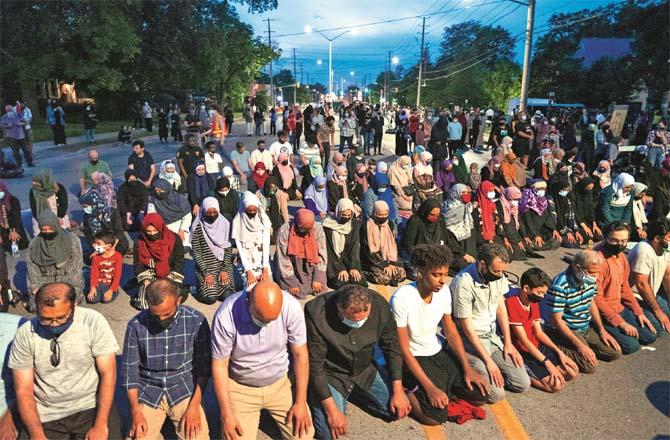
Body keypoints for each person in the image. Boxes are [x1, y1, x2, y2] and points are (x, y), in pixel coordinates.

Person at [392, 245, 490, 425]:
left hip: (436, 350)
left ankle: (445, 386)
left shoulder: (444, 292)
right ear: (420, 272)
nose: (442, 280)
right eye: (436, 275)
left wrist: (467, 368)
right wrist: (429, 388)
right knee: (434, 418)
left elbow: (451, 332)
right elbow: (404, 349)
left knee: (480, 395)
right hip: (414, 356)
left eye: (444, 274)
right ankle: (408, 390)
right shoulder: (402, 298)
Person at [10, 282, 117, 439]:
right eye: (46, 319)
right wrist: (36, 434)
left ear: (74, 305)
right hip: (47, 412)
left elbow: (109, 373)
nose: (53, 324)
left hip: (90, 405)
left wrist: (100, 425)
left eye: (61, 318)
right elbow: (23, 390)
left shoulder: (93, 321)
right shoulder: (25, 333)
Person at [306, 285, 411, 439]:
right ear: (339, 308)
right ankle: (318, 396)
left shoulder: (379, 305)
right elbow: (316, 364)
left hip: (364, 370)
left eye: (364, 318)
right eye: (352, 320)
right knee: (328, 433)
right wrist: (332, 411)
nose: (358, 324)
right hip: (332, 374)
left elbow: (392, 346)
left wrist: (398, 390)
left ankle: (351, 392)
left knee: (395, 411)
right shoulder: (316, 312)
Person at [211, 280, 313, 440]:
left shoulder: (291, 307)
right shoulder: (226, 315)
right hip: (241, 387)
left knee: (304, 435)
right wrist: (226, 413)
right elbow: (219, 365)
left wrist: (300, 402)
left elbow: (301, 355)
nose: (265, 324)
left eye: (271, 320)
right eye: (261, 319)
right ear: (247, 302)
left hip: (280, 383)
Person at [123, 279, 211, 440]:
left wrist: (194, 407)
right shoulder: (135, 326)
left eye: (167, 314)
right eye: (156, 316)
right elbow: (130, 374)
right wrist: (136, 411)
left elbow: (204, 369)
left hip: (183, 388)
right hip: (149, 390)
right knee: (137, 436)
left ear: (178, 301)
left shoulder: (196, 321)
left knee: (197, 436)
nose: (162, 320)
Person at [451, 243, 531, 403]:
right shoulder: (463, 283)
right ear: (482, 264)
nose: (499, 275)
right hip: (471, 342)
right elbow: (467, 328)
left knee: (522, 384)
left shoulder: (498, 276)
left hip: (492, 337)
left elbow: (500, 308)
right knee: (496, 395)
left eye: (502, 271)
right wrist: (488, 362)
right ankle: (459, 369)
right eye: (496, 271)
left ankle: (490, 371)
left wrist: (508, 343)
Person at [543, 250, 622, 373]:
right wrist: (580, 345)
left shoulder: (588, 280)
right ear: (578, 267)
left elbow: (591, 302)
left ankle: (584, 347)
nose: (595, 276)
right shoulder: (560, 285)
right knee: (590, 366)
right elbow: (556, 320)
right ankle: (553, 346)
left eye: (597, 272)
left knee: (615, 352)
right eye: (591, 272)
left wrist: (602, 330)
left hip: (584, 326)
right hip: (566, 329)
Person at [505, 268, 579, 393]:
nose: (542, 296)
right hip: (524, 351)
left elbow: (539, 333)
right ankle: (526, 374)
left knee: (572, 373)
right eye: (539, 292)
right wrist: (548, 364)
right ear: (526, 288)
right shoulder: (512, 304)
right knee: (556, 386)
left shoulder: (533, 302)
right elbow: (524, 341)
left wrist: (559, 353)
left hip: (537, 346)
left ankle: (544, 371)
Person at [595, 221, 657, 354]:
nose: (619, 245)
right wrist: (620, 323)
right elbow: (595, 299)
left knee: (650, 336)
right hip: (603, 314)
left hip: (619, 308)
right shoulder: (595, 260)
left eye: (623, 241)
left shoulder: (621, 257)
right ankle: (596, 331)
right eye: (614, 240)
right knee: (631, 346)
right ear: (604, 237)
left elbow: (625, 287)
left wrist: (638, 312)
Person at [27, 211, 84, 303]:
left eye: (50, 229)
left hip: (67, 279)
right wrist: (37, 286)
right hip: (45, 280)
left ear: (56, 226)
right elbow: (32, 268)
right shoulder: (35, 244)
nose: (47, 232)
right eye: (44, 230)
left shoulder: (72, 240)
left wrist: (64, 288)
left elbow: (76, 267)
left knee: (69, 301)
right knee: (41, 304)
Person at [133, 214, 185, 310]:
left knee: (171, 301)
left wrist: (167, 281)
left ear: (160, 228)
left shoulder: (174, 239)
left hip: (170, 275)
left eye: (154, 231)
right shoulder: (140, 241)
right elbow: (138, 263)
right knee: (144, 305)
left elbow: (179, 262)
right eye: (148, 231)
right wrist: (146, 279)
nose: (152, 234)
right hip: (150, 275)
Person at [190, 197, 235, 304]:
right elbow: (196, 252)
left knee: (228, 296)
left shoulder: (225, 224)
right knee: (210, 299)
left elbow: (228, 249)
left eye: (214, 212)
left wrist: (224, 269)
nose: (212, 215)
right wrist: (206, 273)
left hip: (223, 266)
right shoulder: (197, 226)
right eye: (208, 213)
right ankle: (196, 289)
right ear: (203, 211)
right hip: (205, 268)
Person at [628, 219, 670, 334]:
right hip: (637, 297)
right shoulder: (643, 250)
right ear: (657, 238)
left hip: (652, 293)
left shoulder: (665, 248)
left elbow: (667, 274)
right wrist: (658, 311)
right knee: (657, 330)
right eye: (668, 236)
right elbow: (641, 284)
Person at [275, 209, 327, 299]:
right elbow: (283, 258)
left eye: (308, 229)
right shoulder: (285, 230)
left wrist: (318, 278)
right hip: (293, 265)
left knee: (319, 287)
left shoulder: (317, 228)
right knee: (293, 291)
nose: (305, 231)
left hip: (311, 265)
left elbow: (322, 254)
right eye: (303, 228)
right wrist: (291, 283)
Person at [322, 199, 366, 290]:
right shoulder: (328, 226)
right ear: (338, 212)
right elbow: (329, 250)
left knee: (360, 282)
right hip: (334, 263)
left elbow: (354, 248)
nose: (346, 218)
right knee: (341, 283)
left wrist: (353, 267)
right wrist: (340, 268)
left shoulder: (353, 224)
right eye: (344, 215)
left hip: (348, 261)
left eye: (349, 215)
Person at [360, 201, 406, 286]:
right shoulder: (367, 226)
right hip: (372, 260)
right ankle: (365, 273)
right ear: (374, 213)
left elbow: (394, 245)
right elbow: (367, 250)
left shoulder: (390, 224)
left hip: (388, 258)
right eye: (380, 215)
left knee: (401, 274)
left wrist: (392, 264)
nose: (383, 217)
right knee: (384, 278)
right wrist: (383, 265)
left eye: (385, 214)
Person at [232, 192, 273, 287]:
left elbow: (266, 247)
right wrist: (249, 272)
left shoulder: (264, 222)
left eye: (254, 211)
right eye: (249, 211)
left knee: (268, 288)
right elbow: (241, 250)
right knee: (251, 292)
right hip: (246, 264)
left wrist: (265, 270)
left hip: (263, 262)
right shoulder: (237, 223)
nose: (252, 213)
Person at [79, 190, 129, 256]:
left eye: (86, 206)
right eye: (83, 207)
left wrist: (112, 247)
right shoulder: (87, 217)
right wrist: (94, 246)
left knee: (114, 254)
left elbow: (119, 231)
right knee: (91, 259)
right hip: (100, 245)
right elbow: (88, 234)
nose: (85, 209)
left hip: (116, 243)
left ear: (95, 204)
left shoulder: (113, 212)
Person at [442, 184, 478, 273]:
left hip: (467, 244)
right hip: (454, 246)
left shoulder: (468, 207)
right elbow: (448, 237)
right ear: (456, 193)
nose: (466, 194)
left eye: (467, 192)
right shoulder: (448, 209)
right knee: (463, 265)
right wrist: (463, 254)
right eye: (463, 192)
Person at [520, 180, 561, 251]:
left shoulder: (544, 201)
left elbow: (548, 217)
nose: (542, 191)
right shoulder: (527, 202)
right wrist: (535, 235)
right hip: (529, 231)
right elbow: (527, 221)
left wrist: (553, 229)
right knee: (530, 245)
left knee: (556, 241)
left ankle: (541, 244)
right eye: (540, 189)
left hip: (542, 230)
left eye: (544, 189)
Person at [148, 178, 192, 244]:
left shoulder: (180, 198)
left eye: (161, 190)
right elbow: (151, 216)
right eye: (157, 191)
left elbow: (187, 216)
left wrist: (182, 230)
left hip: (180, 224)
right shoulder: (153, 200)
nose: (158, 192)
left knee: (183, 246)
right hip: (164, 226)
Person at [29, 169, 69, 236]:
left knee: (62, 234)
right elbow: (34, 209)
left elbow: (63, 204)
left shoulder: (59, 188)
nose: (33, 183)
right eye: (33, 181)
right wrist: (43, 221)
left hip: (58, 215)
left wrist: (59, 217)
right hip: (41, 218)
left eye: (36, 181)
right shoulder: (33, 192)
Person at [87, 231, 123, 304]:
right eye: (95, 243)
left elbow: (117, 275)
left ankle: (115, 291)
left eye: (98, 244)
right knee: (92, 299)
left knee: (105, 300)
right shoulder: (96, 257)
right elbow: (94, 273)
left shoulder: (118, 256)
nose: (95, 245)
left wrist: (111, 290)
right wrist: (93, 287)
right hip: (99, 283)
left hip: (109, 284)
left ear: (108, 246)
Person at [496, 186, 530, 261]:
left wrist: (524, 236)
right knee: (515, 253)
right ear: (509, 196)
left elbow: (518, 221)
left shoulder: (514, 206)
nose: (516, 201)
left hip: (513, 233)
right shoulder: (500, 205)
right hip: (503, 234)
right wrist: (516, 241)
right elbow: (504, 225)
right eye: (514, 199)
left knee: (528, 247)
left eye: (518, 199)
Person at [547, 180, 584, 249]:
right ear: (558, 189)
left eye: (567, 190)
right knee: (569, 243)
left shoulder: (567, 200)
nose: (565, 192)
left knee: (581, 238)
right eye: (564, 190)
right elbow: (554, 219)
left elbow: (571, 217)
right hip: (555, 229)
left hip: (566, 228)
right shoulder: (550, 201)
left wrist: (576, 231)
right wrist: (566, 232)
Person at [0, 181, 29, 253]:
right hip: (3, 231)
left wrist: (13, 230)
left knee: (19, 246)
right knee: (6, 248)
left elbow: (16, 217)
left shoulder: (12, 200)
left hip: (15, 229)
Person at [573, 176, 602, 243]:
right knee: (588, 238)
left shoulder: (588, 194)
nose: (589, 190)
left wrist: (594, 224)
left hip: (586, 220)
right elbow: (575, 212)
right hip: (577, 222)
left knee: (599, 236)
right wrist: (584, 227)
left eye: (591, 188)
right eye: (588, 188)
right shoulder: (574, 195)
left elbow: (590, 209)